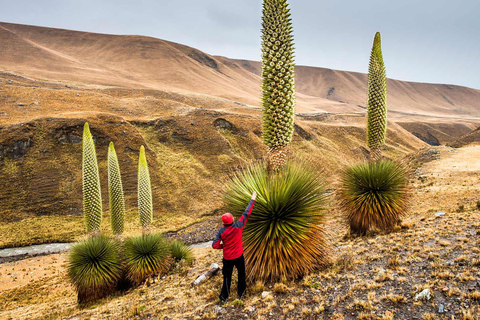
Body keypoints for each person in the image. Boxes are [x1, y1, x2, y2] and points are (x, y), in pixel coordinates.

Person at [212, 191, 257, 302]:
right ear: (232, 220)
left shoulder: (221, 232)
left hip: (227, 258)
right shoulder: (239, 226)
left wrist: (224, 246)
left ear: (223, 223)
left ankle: (224, 297)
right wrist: (253, 199)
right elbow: (246, 213)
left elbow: (214, 245)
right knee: (241, 274)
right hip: (238, 256)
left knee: (227, 277)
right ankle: (241, 294)